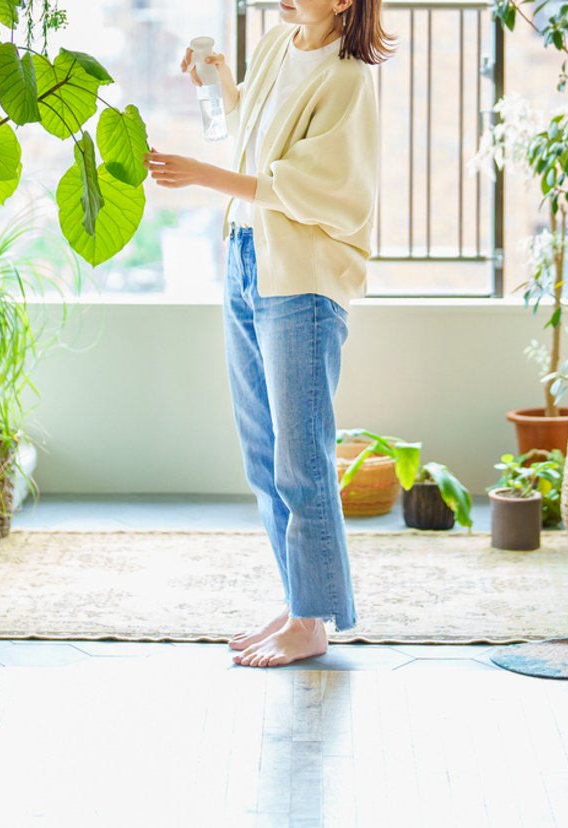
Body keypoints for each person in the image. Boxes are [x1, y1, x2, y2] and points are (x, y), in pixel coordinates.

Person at [143, 0, 394, 667]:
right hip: (247, 257)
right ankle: (298, 602)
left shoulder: (348, 80)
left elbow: (317, 187)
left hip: (301, 278)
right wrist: (220, 81)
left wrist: (198, 174)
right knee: (262, 454)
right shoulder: (284, 47)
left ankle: (312, 621)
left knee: (300, 458)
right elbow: (255, 134)